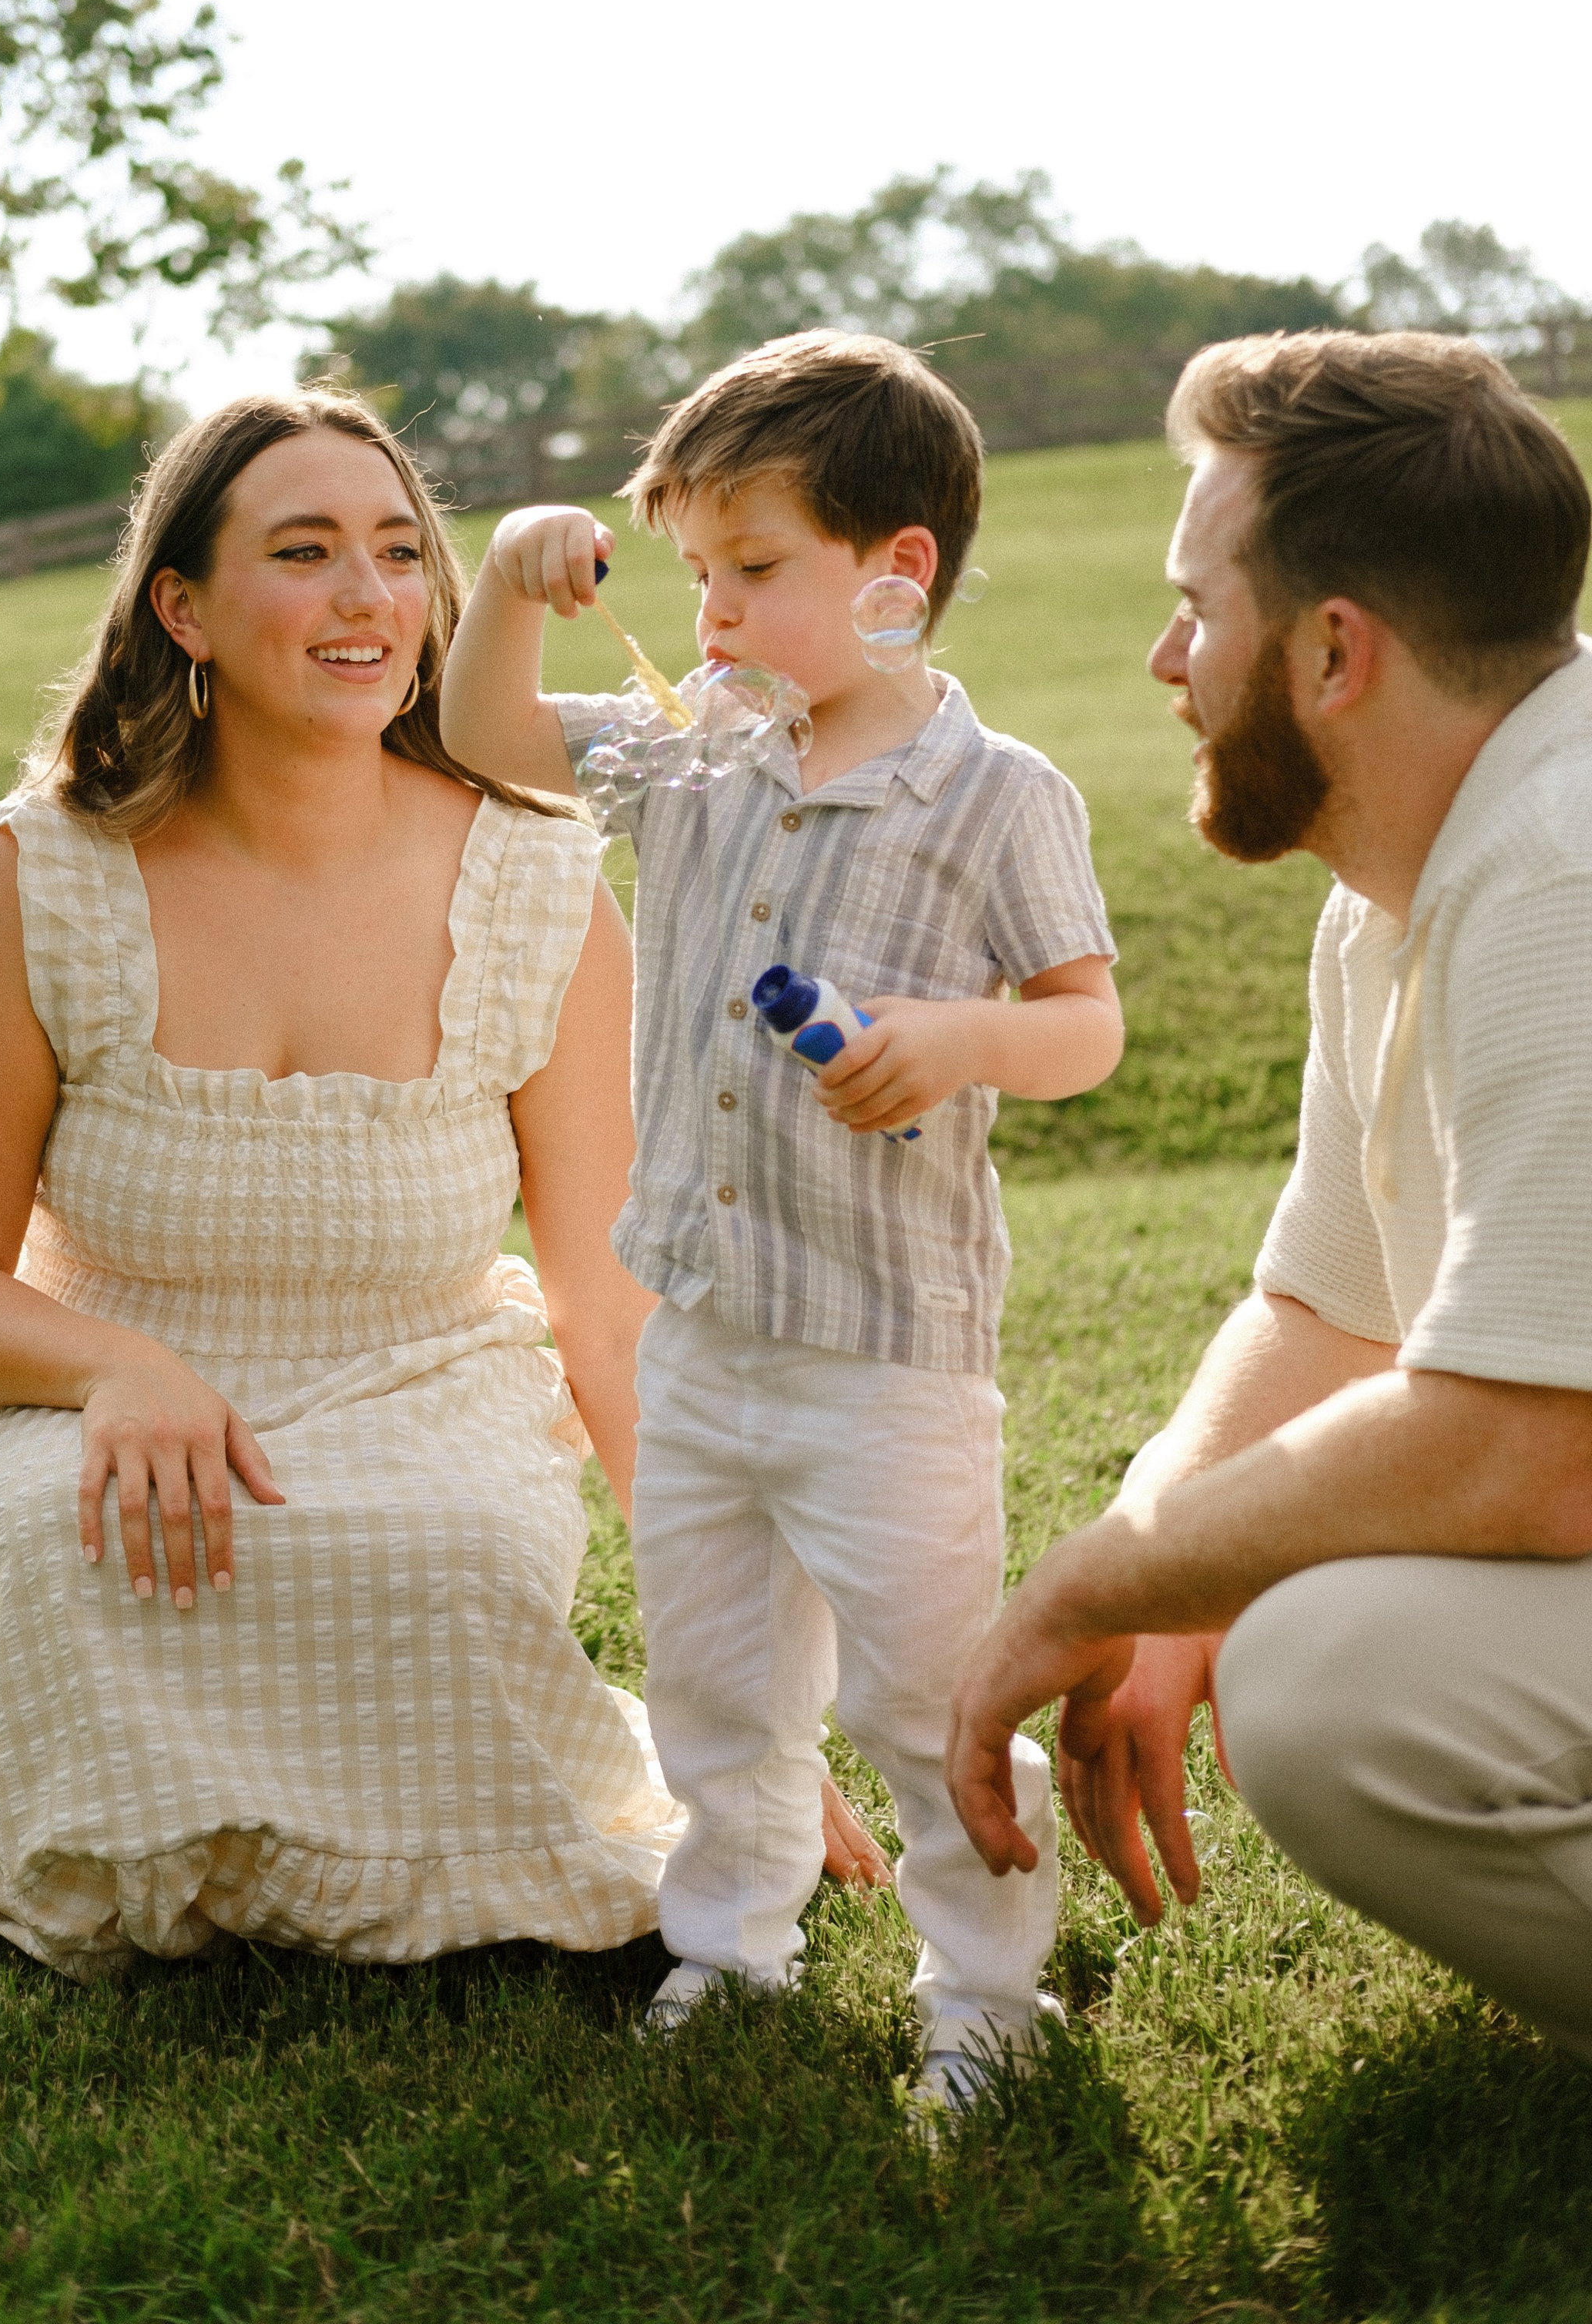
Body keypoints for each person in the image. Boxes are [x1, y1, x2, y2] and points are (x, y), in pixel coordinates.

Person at [0, 387, 693, 1977]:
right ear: (184, 608)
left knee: (438, 1547)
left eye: (395, 552)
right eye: (303, 553)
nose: (366, 597)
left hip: (420, 1371)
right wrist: (120, 1369)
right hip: (92, 1380)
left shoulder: (533, 878)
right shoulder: (32, 880)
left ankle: (445, 1841)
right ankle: (129, 1844)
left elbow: (610, 1303)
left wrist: (725, 1687)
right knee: (69, 1538)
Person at [441, 331, 1124, 2108]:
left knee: (917, 1700)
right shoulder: (694, 753)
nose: (715, 613)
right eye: (696, 575)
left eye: (755, 572)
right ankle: (728, 1949)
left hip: (884, 1357)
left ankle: (981, 1999)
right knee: (720, 1691)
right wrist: (510, 588)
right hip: (702, 1339)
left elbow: (1083, 1021)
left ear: (893, 581)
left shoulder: (996, 794)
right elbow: (476, 730)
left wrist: (951, 1041)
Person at [945, 330, 1592, 2061]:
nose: (1164, 659)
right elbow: (1323, 1307)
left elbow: (1530, 1447)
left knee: (1339, 1681)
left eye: (1192, 606)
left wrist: (1095, 1582)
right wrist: (1161, 1580)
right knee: (1308, 1621)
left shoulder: (1561, 870)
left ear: (1329, 648)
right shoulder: (1403, 882)